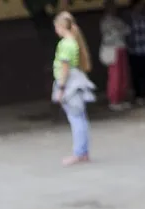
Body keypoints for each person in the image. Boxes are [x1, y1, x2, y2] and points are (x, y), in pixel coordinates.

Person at [52, 11, 95, 166]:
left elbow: (64, 68)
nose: (56, 30)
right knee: (80, 118)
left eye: (56, 26)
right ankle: (83, 151)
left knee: (76, 119)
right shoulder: (74, 42)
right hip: (75, 80)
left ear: (61, 26)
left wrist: (61, 88)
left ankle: (79, 152)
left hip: (69, 83)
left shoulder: (65, 44)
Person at [100, 1, 132, 111]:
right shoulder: (105, 21)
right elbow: (112, 35)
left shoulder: (117, 20)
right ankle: (114, 100)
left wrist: (118, 31)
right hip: (112, 49)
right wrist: (119, 31)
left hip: (122, 47)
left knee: (123, 75)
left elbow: (127, 30)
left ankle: (121, 99)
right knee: (115, 76)